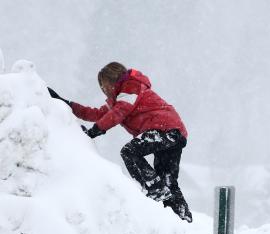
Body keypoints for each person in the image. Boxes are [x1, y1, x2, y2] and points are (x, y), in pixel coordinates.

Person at [47, 62, 192, 222]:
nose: (103, 90)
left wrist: (94, 132)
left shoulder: (132, 87)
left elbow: (119, 112)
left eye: (103, 85)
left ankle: (154, 189)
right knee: (167, 180)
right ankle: (183, 219)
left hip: (165, 129)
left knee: (129, 152)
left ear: (113, 80)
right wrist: (64, 103)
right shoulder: (121, 98)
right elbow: (95, 113)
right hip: (175, 133)